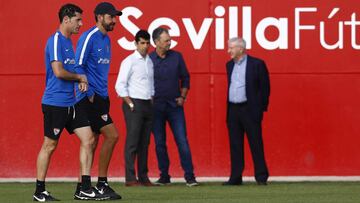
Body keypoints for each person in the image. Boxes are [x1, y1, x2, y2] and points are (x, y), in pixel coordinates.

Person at [34, 4, 109, 201]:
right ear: (66, 20)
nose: (81, 24)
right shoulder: (56, 40)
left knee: (89, 139)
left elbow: (73, 70)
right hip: (55, 103)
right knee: (49, 145)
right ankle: (39, 191)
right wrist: (80, 78)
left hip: (72, 103)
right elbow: (59, 72)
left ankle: (83, 188)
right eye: (78, 20)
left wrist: (80, 79)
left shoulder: (68, 42)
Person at [73, 2, 122, 200]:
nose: (115, 21)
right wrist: (90, 91)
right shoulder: (89, 37)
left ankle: (81, 187)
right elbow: (77, 65)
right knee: (112, 135)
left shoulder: (107, 39)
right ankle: (101, 183)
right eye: (112, 17)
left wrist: (103, 94)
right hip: (89, 98)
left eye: (115, 17)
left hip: (102, 97)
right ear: (100, 17)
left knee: (91, 144)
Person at [149, 27, 198, 187]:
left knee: (182, 141)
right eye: (166, 40)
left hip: (174, 107)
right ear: (156, 42)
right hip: (156, 108)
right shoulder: (148, 60)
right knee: (159, 143)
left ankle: (190, 177)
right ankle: (164, 176)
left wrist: (183, 97)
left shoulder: (177, 57)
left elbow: (186, 78)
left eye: (169, 40)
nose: (170, 42)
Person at [223, 37, 270, 186]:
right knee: (235, 145)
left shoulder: (257, 64)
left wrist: (259, 109)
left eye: (231, 48)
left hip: (250, 110)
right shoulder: (229, 65)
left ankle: (261, 177)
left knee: (256, 143)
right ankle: (236, 177)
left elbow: (265, 88)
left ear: (240, 49)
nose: (228, 51)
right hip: (233, 110)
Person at [115, 30, 155, 187]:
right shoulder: (129, 61)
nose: (145, 46)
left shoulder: (149, 61)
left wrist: (151, 98)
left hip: (147, 103)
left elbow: (150, 83)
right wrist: (130, 103)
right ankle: (130, 178)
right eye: (142, 43)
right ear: (136, 43)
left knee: (145, 143)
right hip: (133, 103)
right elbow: (120, 84)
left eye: (147, 43)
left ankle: (144, 177)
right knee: (132, 142)